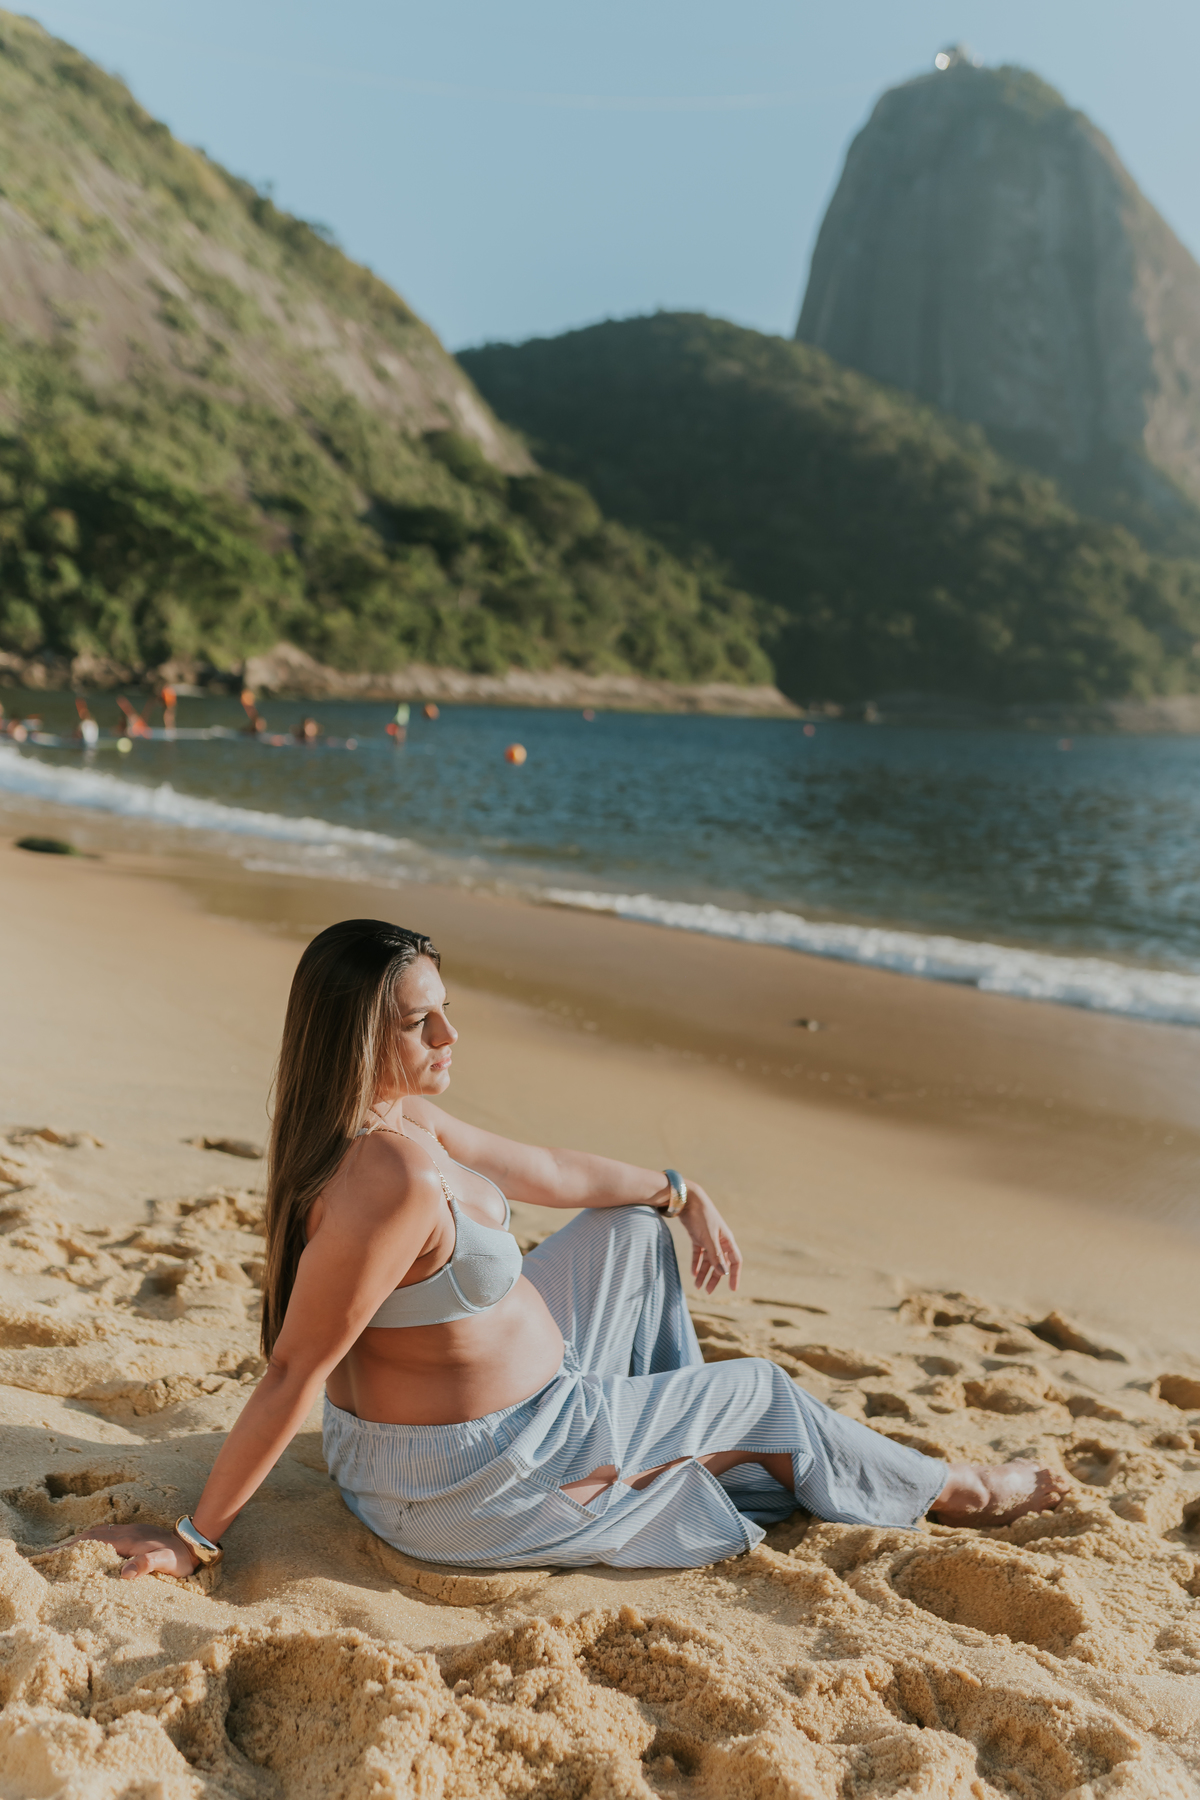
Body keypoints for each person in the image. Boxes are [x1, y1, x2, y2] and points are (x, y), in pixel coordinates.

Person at [74, 920, 1067, 1581]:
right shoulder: (390, 1177)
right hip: (471, 1484)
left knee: (628, 1229)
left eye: (446, 1007)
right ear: (354, 1037)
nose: (450, 1033)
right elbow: (296, 1368)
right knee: (763, 1390)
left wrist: (680, 1191)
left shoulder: (395, 1121)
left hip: (488, 1429)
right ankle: (961, 1490)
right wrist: (193, 1540)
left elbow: (548, 1170)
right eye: (421, 1022)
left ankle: (671, 1443)